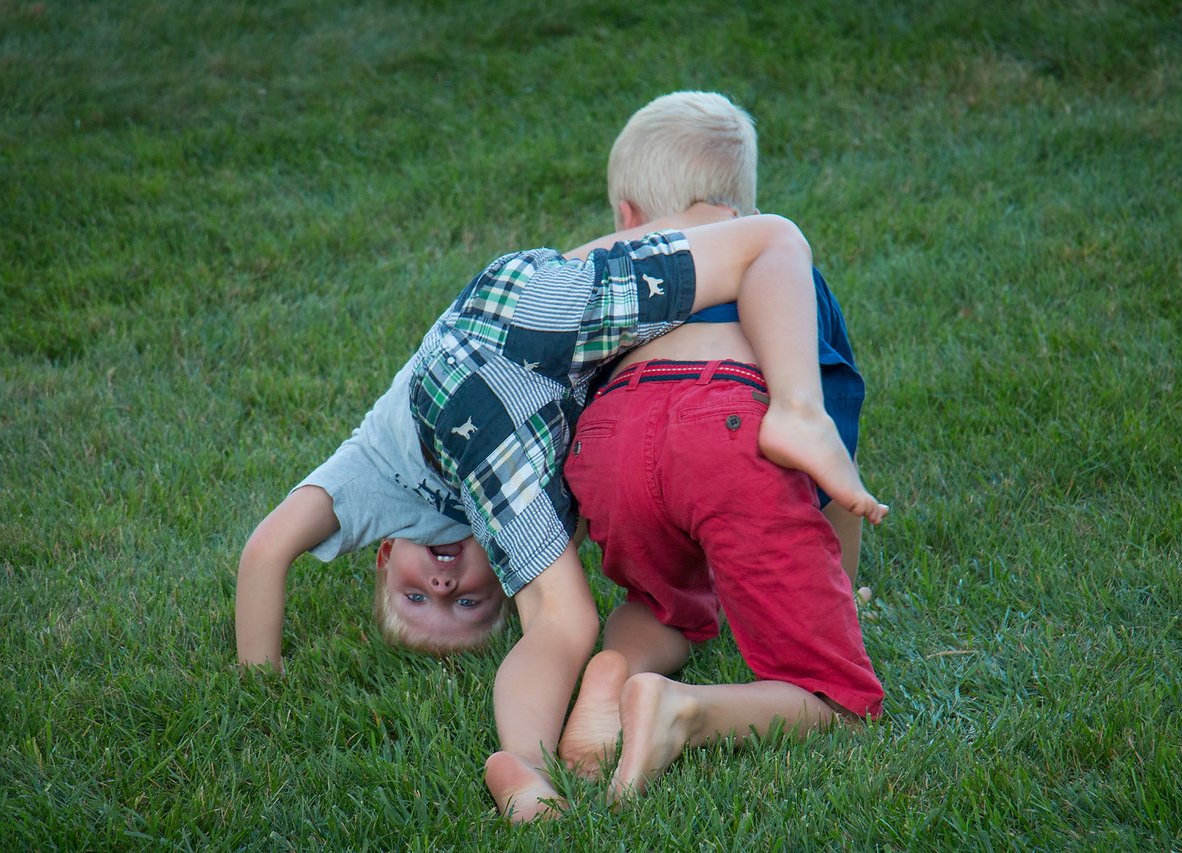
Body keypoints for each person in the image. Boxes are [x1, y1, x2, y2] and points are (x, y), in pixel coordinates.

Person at [235, 203, 888, 820]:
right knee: (765, 239)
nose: (441, 586)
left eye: (416, 596)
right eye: (466, 605)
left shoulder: (365, 473)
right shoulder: (498, 504)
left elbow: (267, 550)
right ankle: (714, 226)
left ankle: (521, 756)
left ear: (384, 557)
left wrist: (259, 676)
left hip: (508, 340)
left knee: (564, 620)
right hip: (499, 314)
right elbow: (267, 548)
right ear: (500, 573)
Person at [557, 91, 886, 801]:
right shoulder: (784, 272)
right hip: (728, 423)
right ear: (742, 205)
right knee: (837, 697)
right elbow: (825, 449)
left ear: (628, 216)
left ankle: (614, 668)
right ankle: (686, 711)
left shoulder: (615, 285)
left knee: (663, 598)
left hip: (609, 441)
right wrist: (839, 590)